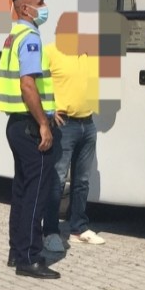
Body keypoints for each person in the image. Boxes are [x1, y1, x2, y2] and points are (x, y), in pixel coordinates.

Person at [0, 0, 60, 279]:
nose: (44, 8)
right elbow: (27, 84)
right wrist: (44, 122)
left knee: (22, 190)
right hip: (30, 126)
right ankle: (30, 257)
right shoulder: (30, 37)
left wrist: (49, 113)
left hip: (16, 125)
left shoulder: (13, 35)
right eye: (40, 3)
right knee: (36, 192)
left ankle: (16, 251)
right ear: (25, 8)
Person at [42, 33, 106, 252]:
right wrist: (48, 112)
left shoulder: (88, 55)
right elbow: (37, 81)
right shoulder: (51, 51)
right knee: (57, 181)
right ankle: (50, 232)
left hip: (87, 124)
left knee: (82, 181)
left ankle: (78, 228)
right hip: (64, 124)